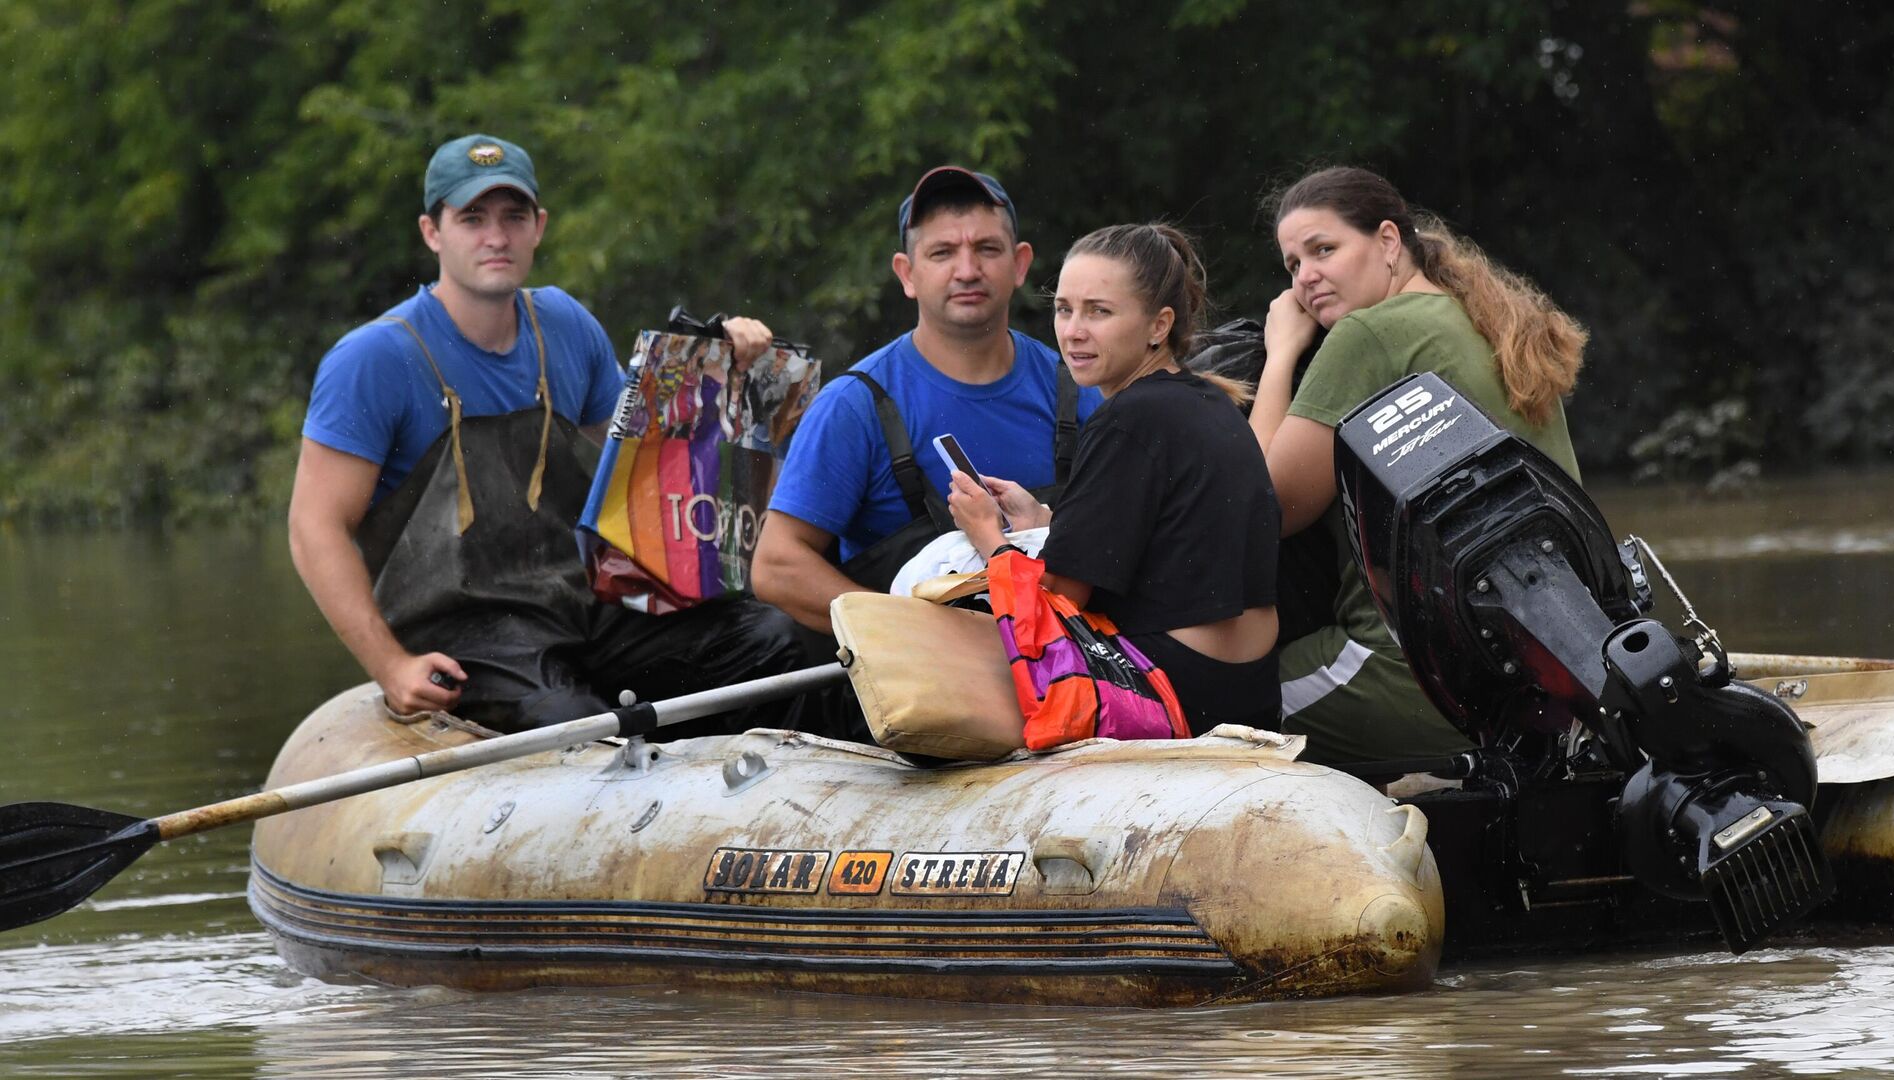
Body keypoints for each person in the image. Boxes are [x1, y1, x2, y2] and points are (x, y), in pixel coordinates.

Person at [289, 133, 816, 735]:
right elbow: (314, 528)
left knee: (772, 639)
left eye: (514, 217)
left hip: (583, 603)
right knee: (569, 724)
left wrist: (725, 370)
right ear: (432, 233)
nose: (496, 237)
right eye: (472, 218)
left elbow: (654, 464)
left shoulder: (565, 323)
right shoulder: (372, 359)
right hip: (466, 631)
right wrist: (391, 666)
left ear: (538, 227)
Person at [1248, 165, 1587, 764]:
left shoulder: (1370, 334)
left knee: (1213, 699)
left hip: (1419, 682)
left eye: (1324, 250)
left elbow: (1264, 508)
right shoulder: (1484, 318)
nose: (1306, 278)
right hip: (1544, 680)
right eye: (1292, 265)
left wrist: (1280, 355)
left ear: (1386, 241)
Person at [947, 224, 1282, 729]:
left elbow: (1057, 604)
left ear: (1158, 325)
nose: (1073, 331)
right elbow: (1166, 553)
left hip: (1179, 692)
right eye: (1064, 309)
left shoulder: (1128, 419)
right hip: (1251, 690)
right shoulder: (1210, 400)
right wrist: (1043, 521)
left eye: (1098, 311)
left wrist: (987, 534)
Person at [753, 167, 1099, 634]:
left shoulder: (1080, 390)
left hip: (1067, 679)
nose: (967, 270)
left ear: (1020, 265)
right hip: (919, 695)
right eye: (942, 253)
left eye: (987, 249)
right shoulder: (855, 407)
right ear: (907, 274)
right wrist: (912, 638)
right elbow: (777, 566)